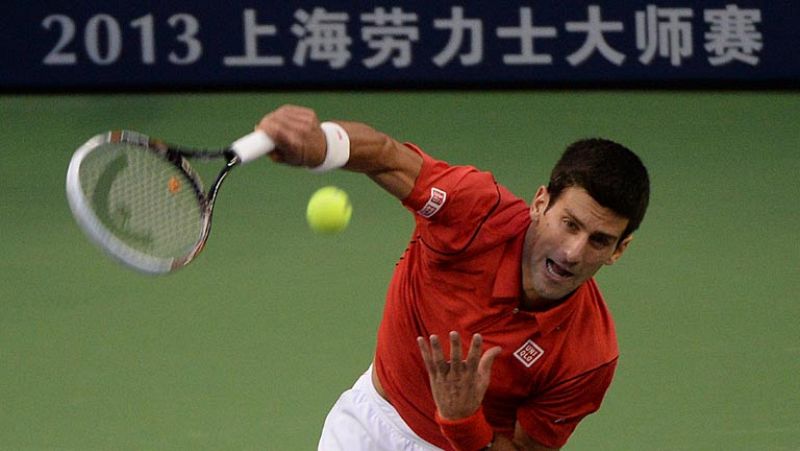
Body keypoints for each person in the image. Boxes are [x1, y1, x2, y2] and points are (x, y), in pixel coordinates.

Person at [255, 105, 650, 451]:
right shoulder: (473, 212)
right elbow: (387, 157)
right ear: (540, 203)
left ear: (619, 249)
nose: (573, 253)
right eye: (569, 224)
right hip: (370, 427)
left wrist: (463, 422)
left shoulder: (589, 355)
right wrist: (320, 143)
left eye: (599, 241)